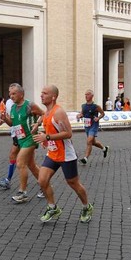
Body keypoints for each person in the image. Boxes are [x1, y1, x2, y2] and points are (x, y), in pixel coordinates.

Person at [33, 84, 93, 223]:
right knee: (42, 180)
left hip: (66, 155)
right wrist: (45, 139)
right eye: (41, 92)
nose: (41, 95)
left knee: (73, 183)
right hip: (53, 153)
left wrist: (47, 137)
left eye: (45, 93)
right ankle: (52, 207)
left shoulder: (59, 112)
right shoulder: (46, 113)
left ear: (53, 97)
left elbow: (68, 133)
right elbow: (52, 130)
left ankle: (86, 207)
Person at [0, 83, 44, 203]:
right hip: (21, 139)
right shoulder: (13, 108)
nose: (11, 96)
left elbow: (44, 114)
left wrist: (37, 124)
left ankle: (23, 192)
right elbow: (13, 124)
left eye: (14, 93)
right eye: (10, 94)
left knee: (20, 162)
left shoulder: (30, 105)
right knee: (31, 165)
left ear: (21, 94)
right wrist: (5, 119)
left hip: (30, 137)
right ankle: (45, 185)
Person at [76, 89, 109, 165]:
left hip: (94, 125)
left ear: (92, 96)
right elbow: (82, 114)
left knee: (89, 141)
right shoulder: (83, 106)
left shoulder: (96, 106)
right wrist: (79, 116)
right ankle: (104, 149)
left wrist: (98, 118)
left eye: (88, 94)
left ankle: (85, 158)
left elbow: (102, 113)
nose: (86, 96)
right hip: (87, 126)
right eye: (85, 94)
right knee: (93, 142)